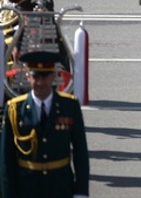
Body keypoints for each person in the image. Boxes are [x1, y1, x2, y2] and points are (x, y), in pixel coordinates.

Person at [0, 51, 89, 198]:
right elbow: (6, 159)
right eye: (36, 76)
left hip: (60, 187)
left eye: (45, 76)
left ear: (54, 75)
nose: (40, 82)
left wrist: (81, 192)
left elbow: (81, 153)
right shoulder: (15, 109)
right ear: (28, 76)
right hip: (26, 189)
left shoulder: (69, 106)